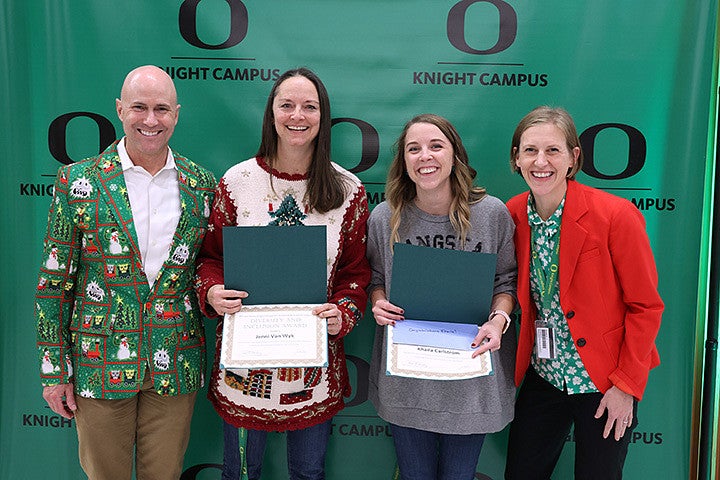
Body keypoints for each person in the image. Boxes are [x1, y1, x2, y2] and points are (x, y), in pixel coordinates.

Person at [35, 65, 217, 480]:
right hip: (98, 363)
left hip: (175, 360)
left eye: (161, 109)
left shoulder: (201, 185)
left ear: (176, 114)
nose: (150, 120)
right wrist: (53, 370)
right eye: (139, 107)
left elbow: (209, 267)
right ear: (119, 109)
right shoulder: (78, 181)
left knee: (165, 474)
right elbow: (53, 285)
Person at [195, 67, 371, 480]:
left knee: (308, 473)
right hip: (244, 369)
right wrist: (213, 291)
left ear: (322, 117)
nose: (298, 115)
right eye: (287, 105)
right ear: (271, 113)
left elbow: (356, 273)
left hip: (313, 368)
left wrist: (343, 312)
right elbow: (209, 258)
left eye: (309, 106)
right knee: (240, 473)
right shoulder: (237, 183)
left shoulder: (348, 191)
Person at [503, 106, 664, 480]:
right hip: (544, 376)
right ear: (516, 158)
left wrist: (625, 386)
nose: (540, 162)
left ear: (574, 157)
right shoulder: (512, 213)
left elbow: (645, 306)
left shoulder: (616, 215)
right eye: (529, 151)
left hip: (605, 381)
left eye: (553, 150)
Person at [367, 113, 518, 479]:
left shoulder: (492, 214)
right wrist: (377, 301)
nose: (425, 156)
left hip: (472, 383)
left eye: (436, 146)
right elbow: (374, 278)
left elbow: (506, 282)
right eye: (413, 149)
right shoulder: (384, 218)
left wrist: (499, 321)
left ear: (455, 155)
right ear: (403, 161)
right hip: (407, 380)